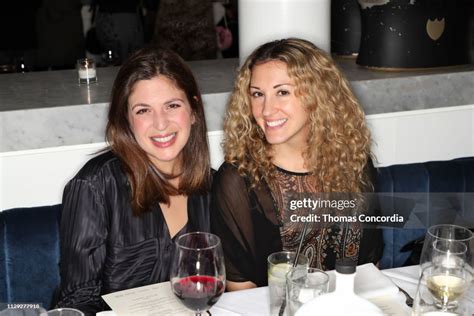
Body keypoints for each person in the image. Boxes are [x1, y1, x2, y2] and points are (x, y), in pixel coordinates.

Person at [211, 38, 383, 291]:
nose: (266, 110)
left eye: (282, 92)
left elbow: (370, 267)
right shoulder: (238, 179)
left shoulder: (354, 162)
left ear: (318, 95)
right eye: (257, 94)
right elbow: (241, 291)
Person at [55, 46, 212, 315]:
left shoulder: (213, 186)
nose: (160, 123)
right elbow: (78, 300)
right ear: (126, 120)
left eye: (172, 105)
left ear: (194, 110)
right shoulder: (95, 186)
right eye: (143, 111)